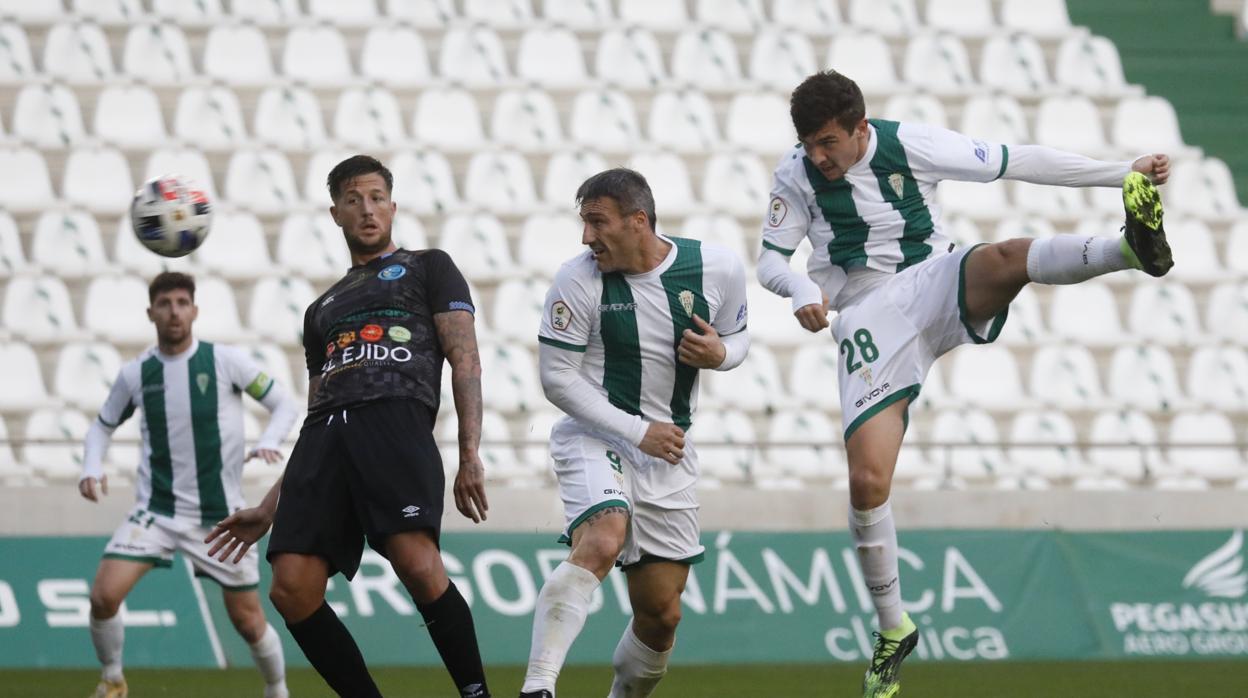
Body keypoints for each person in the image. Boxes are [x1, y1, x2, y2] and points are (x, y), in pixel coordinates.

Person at [757, 70, 1174, 697]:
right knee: (868, 483)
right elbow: (768, 259)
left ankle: (1127, 249)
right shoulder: (795, 173)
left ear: (860, 129)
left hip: (932, 279)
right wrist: (798, 289)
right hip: (867, 314)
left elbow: (1016, 161)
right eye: (810, 144)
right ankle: (893, 629)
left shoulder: (911, 143)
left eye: (828, 143)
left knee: (1004, 258)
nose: (819, 157)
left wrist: (1124, 171)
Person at [205, 154, 492, 698]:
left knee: (416, 562)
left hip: (393, 418)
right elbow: (317, 408)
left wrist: (469, 453)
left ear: (393, 206)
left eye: (378, 197)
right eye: (355, 200)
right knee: (291, 589)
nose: (368, 209)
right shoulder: (320, 309)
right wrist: (269, 508)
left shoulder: (429, 266)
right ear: (335, 212)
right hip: (325, 438)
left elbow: (466, 358)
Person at [518, 168, 751, 698]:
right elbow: (556, 378)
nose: (586, 237)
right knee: (603, 536)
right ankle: (539, 686)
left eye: (597, 223)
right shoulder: (577, 279)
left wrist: (721, 354)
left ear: (638, 221)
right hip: (596, 433)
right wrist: (636, 430)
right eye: (583, 223)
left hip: (667, 453)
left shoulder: (715, 267)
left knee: (661, 614)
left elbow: (737, 339)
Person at [78, 271, 299, 698]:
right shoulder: (136, 373)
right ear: (151, 312)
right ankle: (112, 680)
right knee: (104, 596)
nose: (174, 311)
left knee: (249, 622)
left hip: (221, 517)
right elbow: (101, 426)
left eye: (182, 302)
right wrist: (91, 466)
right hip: (156, 511)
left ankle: (277, 690)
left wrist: (270, 440)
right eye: (165, 303)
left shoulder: (225, 362)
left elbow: (283, 404)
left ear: (194, 310)